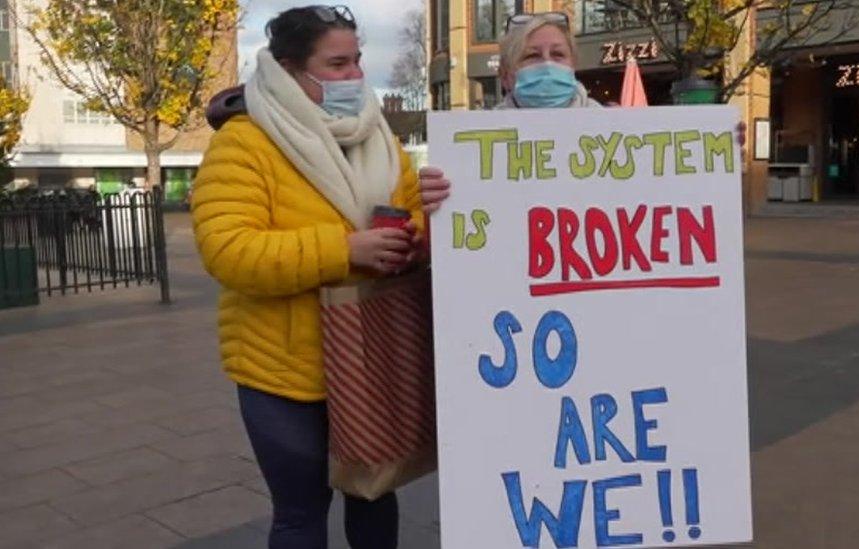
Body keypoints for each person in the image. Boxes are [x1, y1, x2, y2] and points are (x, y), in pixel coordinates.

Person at [192, 5, 423, 548]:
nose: (356, 77)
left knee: (374, 495)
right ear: (291, 70)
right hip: (284, 372)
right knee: (300, 513)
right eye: (338, 64)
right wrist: (346, 250)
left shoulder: (379, 137)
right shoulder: (245, 142)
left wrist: (413, 236)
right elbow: (228, 251)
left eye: (358, 62)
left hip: (371, 360)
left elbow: (416, 213)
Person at [419, 11, 746, 212]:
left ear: (573, 67)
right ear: (506, 75)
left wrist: (716, 151)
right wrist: (437, 200)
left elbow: (670, 203)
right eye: (532, 56)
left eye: (558, 54)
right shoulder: (470, 151)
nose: (547, 64)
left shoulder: (616, 128)